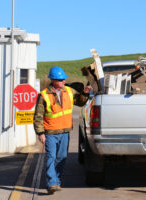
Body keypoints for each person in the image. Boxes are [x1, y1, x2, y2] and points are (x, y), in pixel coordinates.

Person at [33, 66, 91, 195]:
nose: (64, 81)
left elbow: (79, 102)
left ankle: (56, 180)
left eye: (64, 79)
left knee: (62, 157)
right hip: (50, 133)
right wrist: (40, 133)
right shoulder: (43, 95)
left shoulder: (69, 91)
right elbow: (37, 116)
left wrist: (85, 93)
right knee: (51, 157)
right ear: (53, 80)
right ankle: (51, 183)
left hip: (65, 131)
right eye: (61, 79)